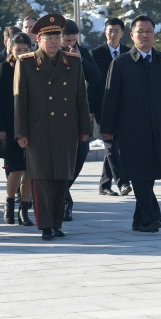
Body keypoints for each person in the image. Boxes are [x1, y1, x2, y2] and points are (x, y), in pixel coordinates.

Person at [100, 15, 161, 232]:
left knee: (150, 172)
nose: (145, 35)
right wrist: (107, 128)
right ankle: (152, 218)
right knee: (138, 172)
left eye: (149, 31)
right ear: (132, 36)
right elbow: (111, 98)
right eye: (140, 31)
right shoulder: (121, 63)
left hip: (158, 127)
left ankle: (140, 219)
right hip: (131, 129)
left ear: (154, 35)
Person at [14, 14, 91, 241]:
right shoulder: (26, 62)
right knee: (42, 179)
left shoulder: (73, 61)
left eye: (57, 36)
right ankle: (46, 225)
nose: (54, 41)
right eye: (48, 37)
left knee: (61, 178)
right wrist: (21, 132)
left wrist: (84, 127)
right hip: (38, 130)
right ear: (39, 38)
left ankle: (57, 223)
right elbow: (20, 100)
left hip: (66, 129)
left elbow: (81, 97)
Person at [60, 19, 101, 221]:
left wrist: (80, 60)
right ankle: (63, 200)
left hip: (78, 115)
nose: (70, 45)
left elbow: (96, 78)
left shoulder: (82, 52)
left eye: (74, 41)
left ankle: (62, 191)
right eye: (67, 40)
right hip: (56, 116)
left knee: (81, 153)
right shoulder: (51, 54)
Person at [0, 32, 35, 225]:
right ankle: (9, 204)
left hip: (33, 127)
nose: (21, 53)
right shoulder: (4, 68)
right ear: (10, 49)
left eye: (25, 50)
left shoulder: (35, 67)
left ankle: (24, 211)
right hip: (10, 129)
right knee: (16, 170)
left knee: (30, 172)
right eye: (18, 50)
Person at [91, 17, 131, 197]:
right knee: (111, 146)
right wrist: (90, 109)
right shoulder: (96, 54)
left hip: (123, 109)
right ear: (105, 32)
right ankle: (123, 182)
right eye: (109, 31)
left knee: (115, 146)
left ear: (122, 33)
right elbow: (91, 84)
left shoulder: (129, 53)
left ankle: (104, 185)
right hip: (102, 108)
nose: (112, 34)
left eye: (116, 31)